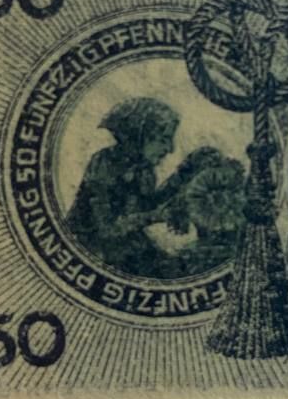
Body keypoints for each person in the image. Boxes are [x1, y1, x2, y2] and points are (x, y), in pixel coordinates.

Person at [65, 96, 228, 276]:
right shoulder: (104, 164)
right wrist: (158, 216)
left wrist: (183, 174)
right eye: (163, 139)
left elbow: (145, 205)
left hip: (125, 246)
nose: (171, 149)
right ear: (138, 137)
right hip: (89, 252)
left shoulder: (144, 170)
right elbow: (107, 229)